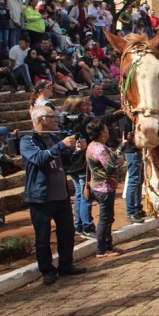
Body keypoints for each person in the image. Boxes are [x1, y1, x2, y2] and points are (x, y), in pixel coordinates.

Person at [21, 106, 88, 285]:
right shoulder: (28, 140)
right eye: (51, 117)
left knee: (66, 232)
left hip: (61, 195)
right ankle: (47, 270)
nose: (55, 120)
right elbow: (39, 159)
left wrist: (77, 151)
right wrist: (62, 145)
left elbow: (66, 162)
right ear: (40, 119)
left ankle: (66, 265)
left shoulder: (54, 138)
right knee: (42, 237)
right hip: (40, 197)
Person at [85, 118, 126, 258]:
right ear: (102, 132)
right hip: (104, 187)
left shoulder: (95, 145)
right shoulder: (99, 148)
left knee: (108, 218)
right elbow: (110, 167)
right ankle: (101, 249)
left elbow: (112, 155)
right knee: (105, 219)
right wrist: (120, 163)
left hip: (101, 186)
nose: (108, 131)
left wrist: (123, 145)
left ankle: (108, 245)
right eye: (106, 129)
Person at [60, 97, 96, 237]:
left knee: (80, 194)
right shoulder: (83, 122)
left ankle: (79, 224)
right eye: (84, 105)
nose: (87, 107)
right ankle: (87, 226)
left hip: (72, 164)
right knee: (85, 194)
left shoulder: (65, 121)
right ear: (77, 108)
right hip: (80, 163)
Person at [118, 115, 146, 223]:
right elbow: (127, 137)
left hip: (138, 150)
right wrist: (136, 148)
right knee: (133, 181)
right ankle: (131, 212)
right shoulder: (125, 118)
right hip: (132, 151)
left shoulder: (135, 117)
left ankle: (137, 207)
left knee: (139, 180)